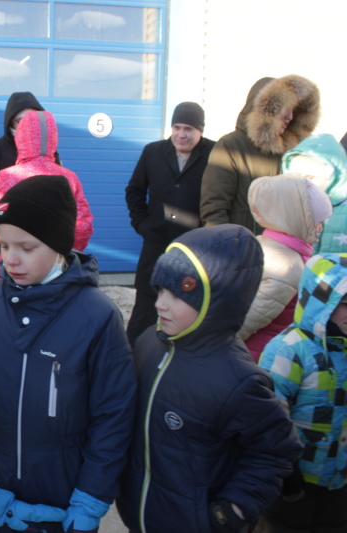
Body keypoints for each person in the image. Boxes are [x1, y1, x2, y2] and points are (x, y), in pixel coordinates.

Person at [0, 175, 135, 533]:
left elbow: (114, 415)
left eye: (27, 247)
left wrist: (91, 497)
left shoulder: (96, 317)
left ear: (59, 245)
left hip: (60, 483)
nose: (11, 259)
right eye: (3, 246)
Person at [116, 224, 302, 533]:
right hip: (139, 515)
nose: (160, 303)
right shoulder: (149, 341)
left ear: (218, 301)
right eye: (160, 290)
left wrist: (230, 512)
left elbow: (275, 451)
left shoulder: (238, 379)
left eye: (177, 295)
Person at [258, 253, 347, 533]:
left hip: (338, 484)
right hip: (292, 488)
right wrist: (287, 476)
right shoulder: (290, 348)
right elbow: (268, 419)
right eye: (345, 303)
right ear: (322, 302)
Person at [125, 102, 215, 346]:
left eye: (188, 128)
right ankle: (132, 359)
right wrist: (142, 225)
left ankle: (177, 356)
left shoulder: (215, 154)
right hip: (156, 244)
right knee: (146, 308)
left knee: (187, 303)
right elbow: (134, 191)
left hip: (193, 250)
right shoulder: (153, 152)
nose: (181, 134)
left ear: (200, 131)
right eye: (176, 127)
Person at [200, 75, 320, 234]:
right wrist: (228, 247)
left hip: (284, 250)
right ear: (266, 110)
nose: (290, 116)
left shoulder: (292, 152)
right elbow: (214, 208)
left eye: (294, 110)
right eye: (285, 109)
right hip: (242, 249)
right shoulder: (230, 146)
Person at [0, 109, 93, 276]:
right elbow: (82, 227)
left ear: (20, 136)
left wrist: (13, 244)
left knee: (10, 301)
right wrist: (60, 250)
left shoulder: (7, 176)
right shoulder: (69, 177)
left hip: (14, 267)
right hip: (54, 267)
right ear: (54, 138)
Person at [238, 174, 331, 361]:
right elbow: (242, 325)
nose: (320, 228)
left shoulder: (268, 245)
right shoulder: (286, 266)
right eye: (316, 221)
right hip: (263, 360)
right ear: (294, 218)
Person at [0, 91, 60, 278]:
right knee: (8, 286)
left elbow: (61, 191)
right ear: (10, 122)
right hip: (7, 229)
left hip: (43, 231)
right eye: (19, 120)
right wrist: (12, 187)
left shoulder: (50, 150)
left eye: (32, 118)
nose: (26, 125)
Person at [282, 133, 347, 255]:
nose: (304, 184)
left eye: (310, 177)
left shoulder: (343, 213)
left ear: (333, 176)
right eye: (297, 178)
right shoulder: (294, 208)